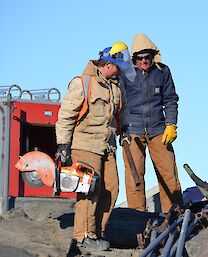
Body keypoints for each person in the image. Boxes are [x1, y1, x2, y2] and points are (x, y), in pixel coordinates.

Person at [55, 42, 135, 250]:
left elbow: (121, 112)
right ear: (109, 64)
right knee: (89, 189)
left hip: (106, 146)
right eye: (118, 67)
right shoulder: (83, 83)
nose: (120, 72)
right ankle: (83, 236)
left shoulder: (115, 86)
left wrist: (124, 129)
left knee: (111, 188)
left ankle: (97, 232)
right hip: (85, 144)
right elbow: (66, 115)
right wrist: (63, 143)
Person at [120, 33, 183, 213]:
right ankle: (136, 218)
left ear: (152, 56)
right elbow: (118, 101)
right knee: (134, 177)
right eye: (139, 58)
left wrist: (171, 124)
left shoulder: (163, 71)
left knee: (168, 174)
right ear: (134, 59)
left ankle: (175, 216)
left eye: (147, 57)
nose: (143, 61)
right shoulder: (125, 74)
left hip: (159, 130)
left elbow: (170, 99)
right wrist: (121, 129)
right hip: (132, 131)